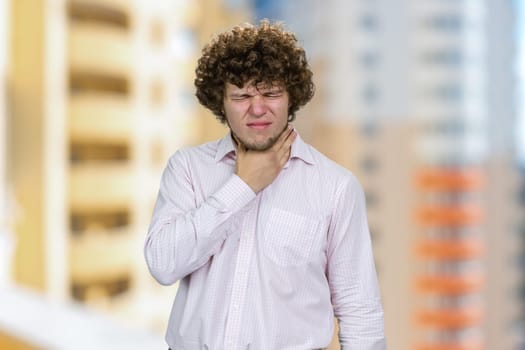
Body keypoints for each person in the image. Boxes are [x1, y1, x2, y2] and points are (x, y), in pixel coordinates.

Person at [144, 20, 386, 350]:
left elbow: (360, 312)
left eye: (271, 92)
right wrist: (243, 185)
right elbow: (163, 264)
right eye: (242, 95)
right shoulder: (187, 169)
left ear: (292, 97)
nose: (258, 109)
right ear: (221, 101)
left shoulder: (336, 187)